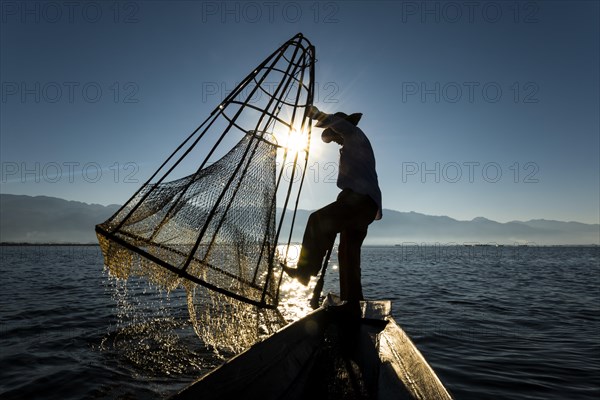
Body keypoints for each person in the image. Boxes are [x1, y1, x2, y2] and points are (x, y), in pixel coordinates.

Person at [283, 105, 382, 304]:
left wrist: (315, 114)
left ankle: (305, 271)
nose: (335, 140)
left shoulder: (354, 135)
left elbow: (340, 126)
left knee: (317, 220)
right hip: (363, 205)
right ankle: (352, 300)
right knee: (348, 253)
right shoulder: (351, 146)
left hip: (360, 202)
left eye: (335, 135)